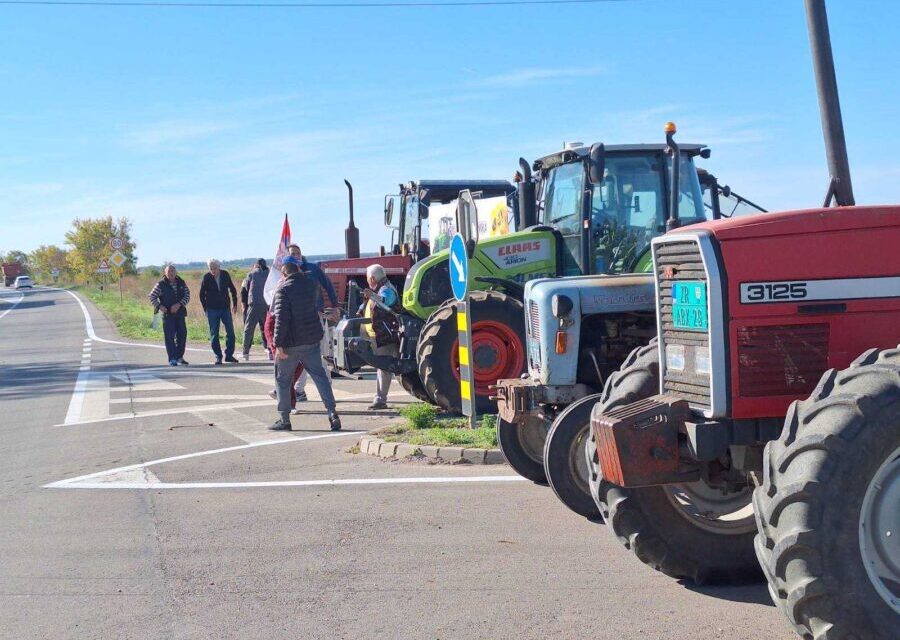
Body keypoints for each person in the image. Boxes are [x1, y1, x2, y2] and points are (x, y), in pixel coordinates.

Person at [269, 256, 341, 432]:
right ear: (298, 269)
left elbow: (281, 320)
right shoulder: (311, 285)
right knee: (320, 378)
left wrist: (278, 344)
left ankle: (284, 419)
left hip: (290, 344)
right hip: (311, 341)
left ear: (284, 272)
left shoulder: (282, 290)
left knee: (283, 380)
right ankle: (332, 414)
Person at [286, 243, 338, 400]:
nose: (296, 255)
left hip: (316, 317)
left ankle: (313, 388)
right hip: (298, 321)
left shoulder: (312, 269)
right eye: (293, 254)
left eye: (298, 253)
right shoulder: (288, 274)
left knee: (316, 354)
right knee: (305, 355)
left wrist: (335, 305)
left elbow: (327, 285)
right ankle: (300, 389)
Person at [361, 264, 401, 409]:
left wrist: (373, 296)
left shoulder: (386, 289)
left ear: (372, 278)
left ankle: (380, 399)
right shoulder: (381, 288)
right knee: (382, 368)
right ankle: (380, 398)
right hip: (379, 336)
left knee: (384, 368)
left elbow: (386, 300)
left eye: (367, 278)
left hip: (385, 336)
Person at [148, 264, 190, 366]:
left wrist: (179, 304)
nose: (171, 273)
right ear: (165, 273)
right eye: (168, 271)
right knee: (169, 336)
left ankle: (179, 357)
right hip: (168, 315)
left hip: (180, 313)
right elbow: (151, 296)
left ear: (176, 272)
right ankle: (172, 358)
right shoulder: (160, 284)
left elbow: (187, 295)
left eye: (172, 271)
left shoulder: (181, 282)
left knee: (182, 335)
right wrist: (159, 306)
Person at [199, 258, 239, 364]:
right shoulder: (206, 277)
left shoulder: (225, 274)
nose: (213, 271)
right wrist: (205, 308)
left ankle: (229, 355)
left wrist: (235, 304)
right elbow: (201, 294)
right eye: (211, 269)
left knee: (230, 332)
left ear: (219, 267)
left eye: (215, 268)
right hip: (212, 309)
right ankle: (218, 355)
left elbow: (233, 289)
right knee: (214, 333)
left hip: (225, 308)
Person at [241, 258, 269, 361]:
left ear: (256, 265)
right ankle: (269, 350)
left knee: (248, 329)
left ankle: (245, 353)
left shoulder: (251, 274)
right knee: (267, 328)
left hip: (253, 304)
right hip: (265, 304)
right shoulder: (269, 274)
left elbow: (246, 288)